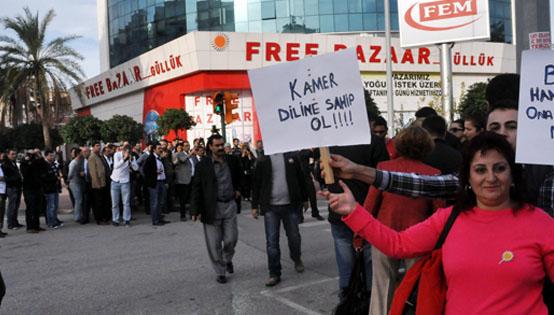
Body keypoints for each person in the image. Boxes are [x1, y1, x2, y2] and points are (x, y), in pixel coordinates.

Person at [322, 132, 554, 314]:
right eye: (480, 170)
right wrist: (352, 210)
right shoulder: (450, 219)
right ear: (468, 178)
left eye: (500, 168)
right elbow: (398, 244)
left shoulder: (540, 223)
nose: (490, 178)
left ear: (512, 174)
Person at [363, 127, 443, 315]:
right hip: (419, 237)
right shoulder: (433, 173)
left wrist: (360, 237)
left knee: (382, 287)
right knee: (417, 286)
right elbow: (438, 212)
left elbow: (370, 204)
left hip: (384, 233)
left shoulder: (383, 168)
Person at [190, 134, 243, 284]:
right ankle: (220, 272)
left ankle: (227, 259)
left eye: (222, 145)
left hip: (230, 205)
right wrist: (195, 209)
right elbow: (196, 187)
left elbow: (240, 176)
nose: (220, 148)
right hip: (211, 207)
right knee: (214, 243)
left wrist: (238, 189)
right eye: (217, 145)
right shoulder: (203, 165)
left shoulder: (232, 160)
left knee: (231, 238)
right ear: (210, 147)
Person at [251, 152, 308, 286]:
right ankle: (274, 272)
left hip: (291, 205)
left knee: (294, 236)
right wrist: (254, 206)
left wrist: (305, 199)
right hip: (271, 207)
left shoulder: (291, 156)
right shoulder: (263, 159)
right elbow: (256, 183)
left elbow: (301, 177)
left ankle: (296, 257)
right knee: (272, 241)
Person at [110, 144, 138, 226]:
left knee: (126, 202)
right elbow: (116, 166)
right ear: (122, 150)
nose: (127, 153)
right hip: (115, 180)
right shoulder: (117, 155)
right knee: (115, 203)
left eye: (129, 152)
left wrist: (131, 161)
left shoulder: (132, 157)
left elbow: (136, 168)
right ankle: (115, 220)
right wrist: (124, 159)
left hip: (125, 181)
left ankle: (127, 219)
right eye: (125, 151)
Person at [144, 142, 170, 226]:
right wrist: (155, 172)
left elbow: (164, 169)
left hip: (161, 181)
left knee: (160, 201)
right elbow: (145, 170)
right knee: (154, 202)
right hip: (154, 183)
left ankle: (159, 218)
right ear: (154, 149)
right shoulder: (150, 158)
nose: (161, 150)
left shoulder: (160, 158)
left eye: (161, 148)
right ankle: (155, 220)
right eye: (159, 148)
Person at [20, 150, 45, 233]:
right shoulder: (24, 163)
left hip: (37, 187)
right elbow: (25, 173)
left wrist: (39, 156)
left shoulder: (37, 162)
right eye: (31, 155)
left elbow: (43, 165)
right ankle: (30, 227)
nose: (32, 156)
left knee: (38, 207)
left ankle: (36, 225)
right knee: (31, 207)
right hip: (28, 188)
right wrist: (27, 161)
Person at [88, 142, 110, 225]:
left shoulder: (99, 156)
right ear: (93, 147)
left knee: (103, 201)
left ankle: (104, 217)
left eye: (99, 146)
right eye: (97, 146)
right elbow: (93, 173)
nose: (99, 147)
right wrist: (97, 184)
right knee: (98, 202)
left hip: (103, 182)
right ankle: (99, 219)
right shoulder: (92, 157)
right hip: (97, 184)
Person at [2, 149, 23, 230]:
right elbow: (5, 177)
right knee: (12, 206)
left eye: (15, 154)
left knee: (16, 205)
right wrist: (15, 178)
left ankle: (15, 221)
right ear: (7, 154)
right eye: (12, 154)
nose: (14, 156)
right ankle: (10, 223)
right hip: (11, 187)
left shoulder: (13, 163)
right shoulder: (5, 164)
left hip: (17, 186)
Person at [42, 150, 63, 229]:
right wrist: (55, 178)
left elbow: (56, 172)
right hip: (48, 188)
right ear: (46, 156)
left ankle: (55, 219)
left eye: (53, 155)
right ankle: (51, 222)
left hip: (55, 187)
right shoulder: (44, 165)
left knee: (55, 205)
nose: (52, 157)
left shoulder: (53, 164)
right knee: (51, 206)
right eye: (50, 155)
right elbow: (45, 177)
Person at [173, 143, 193, 221]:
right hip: (182, 180)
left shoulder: (190, 154)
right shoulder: (179, 154)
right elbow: (183, 160)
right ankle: (183, 215)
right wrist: (190, 154)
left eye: (188, 145)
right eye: (185, 146)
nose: (187, 147)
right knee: (183, 199)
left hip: (191, 178)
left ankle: (192, 213)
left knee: (191, 198)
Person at [68, 148, 85, 223]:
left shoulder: (79, 162)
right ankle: (77, 217)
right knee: (78, 200)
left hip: (78, 182)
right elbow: (70, 174)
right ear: (78, 154)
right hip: (74, 183)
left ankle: (79, 215)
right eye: (81, 153)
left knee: (79, 199)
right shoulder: (74, 163)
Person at [0, 153, 7, 237]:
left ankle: (0, 229)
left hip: (3, 190)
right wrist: (6, 177)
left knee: (2, 211)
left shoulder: (2, 165)